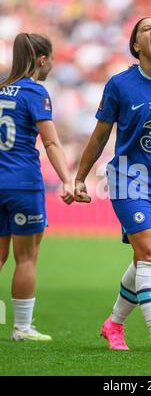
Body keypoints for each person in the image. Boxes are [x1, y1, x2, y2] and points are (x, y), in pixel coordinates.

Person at [75, 17, 151, 352]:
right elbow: (101, 134)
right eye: (147, 29)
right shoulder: (120, 85)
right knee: (148, 253)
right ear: (136, 45)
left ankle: (113, 325)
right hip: (127, 179)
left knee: (148, 258)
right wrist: (79, 177)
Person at [0, 33, 74, 341]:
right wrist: (68, 180)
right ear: (41, 60)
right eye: (52, 59)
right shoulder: (35, 92)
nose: (53, 65)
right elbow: (51, 142)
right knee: (26, 257)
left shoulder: (1, 89)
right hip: (23, 185)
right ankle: (22, 328)